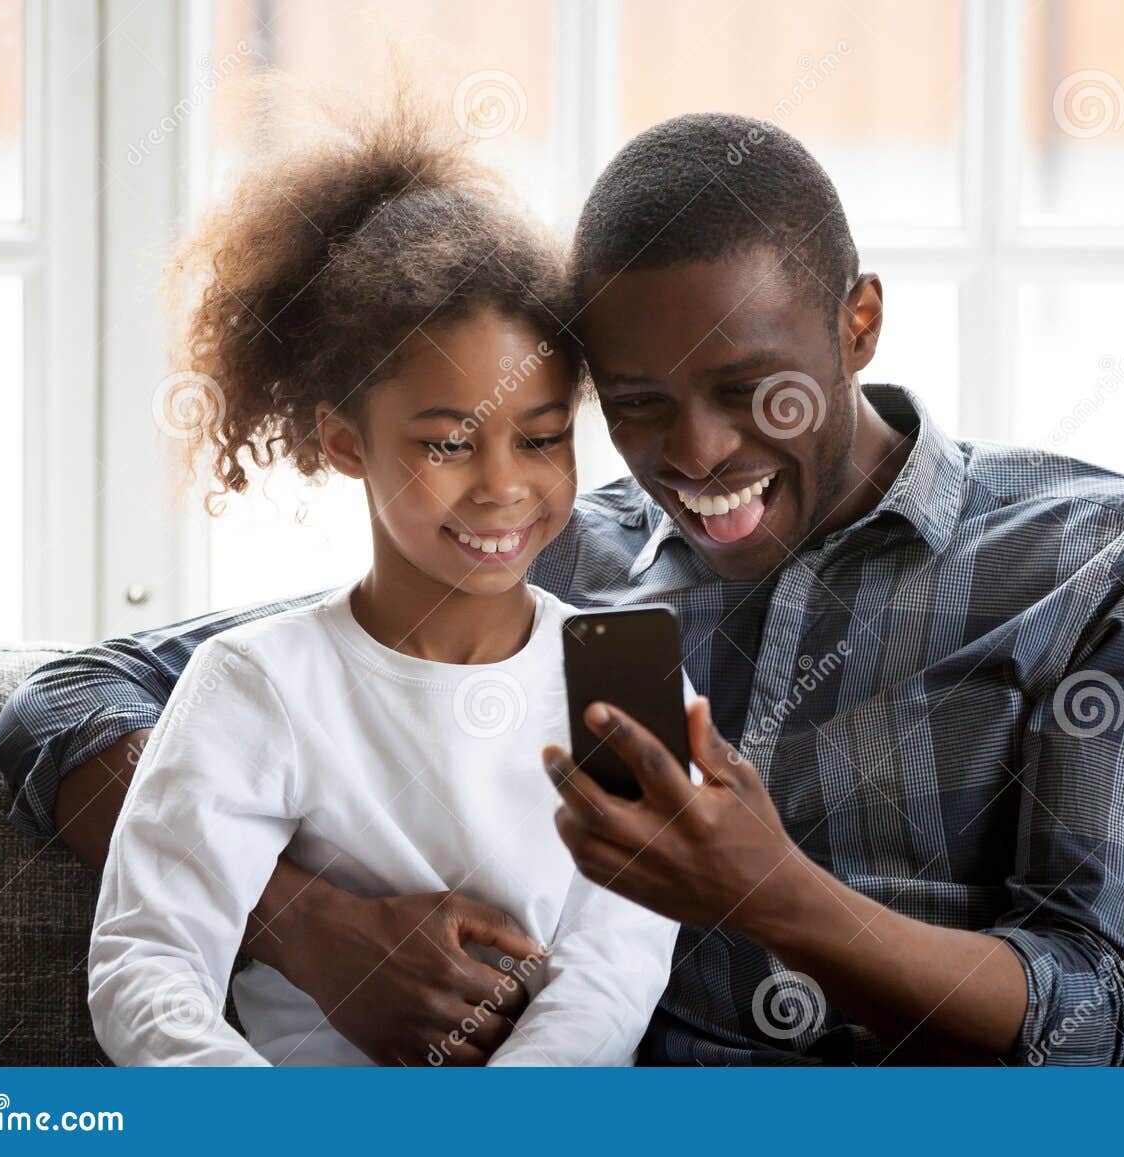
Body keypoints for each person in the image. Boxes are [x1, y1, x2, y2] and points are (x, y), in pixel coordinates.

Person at [0, 111, 1124, 1066]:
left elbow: (1094, 1023)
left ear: (859, 321)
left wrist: (771, 895)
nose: (693, 456)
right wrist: (304, 922)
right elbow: (72, 701)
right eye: (636, 406)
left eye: (753, 390)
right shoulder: (546, 549)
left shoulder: (1102, 556)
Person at [83, 92, 678, 1067]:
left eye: (540, 439)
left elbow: (616, 963)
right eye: (447, 441)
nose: (502, 485)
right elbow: (149, 959)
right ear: (344, 441)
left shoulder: (627, 673)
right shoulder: (255, 682)